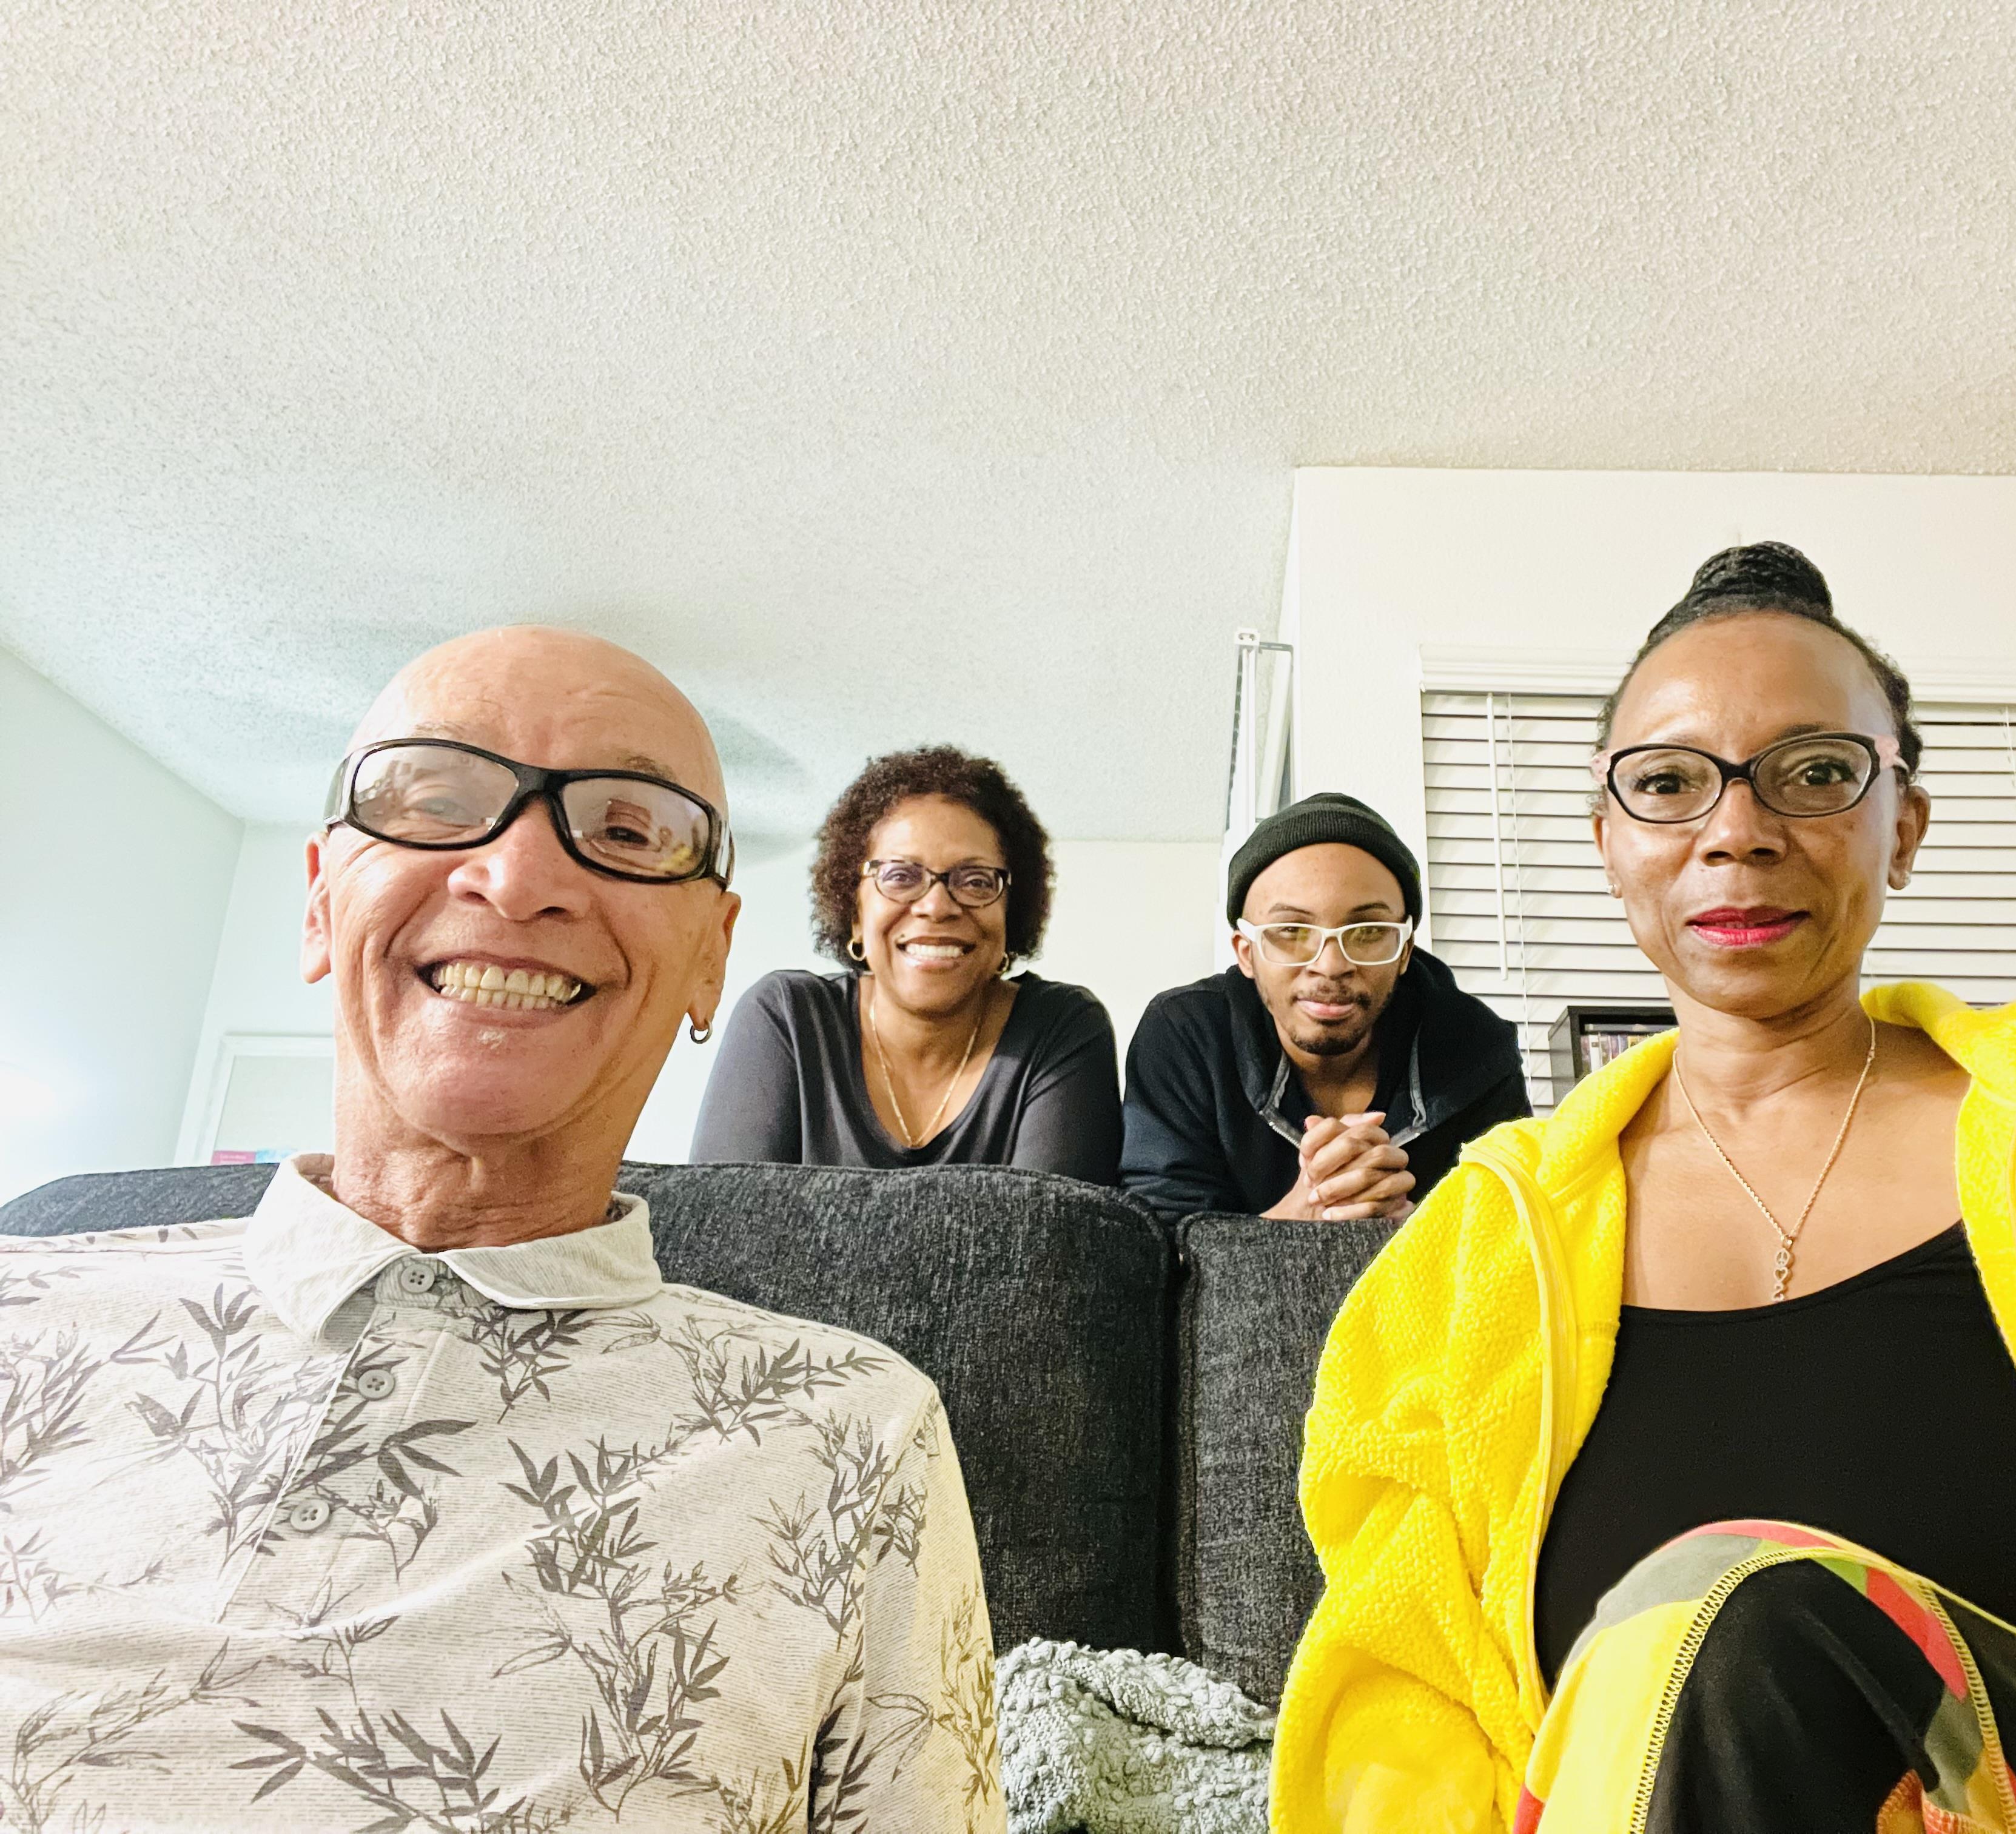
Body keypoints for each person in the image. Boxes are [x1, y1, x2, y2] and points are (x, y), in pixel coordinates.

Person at [1272, 545, 2016, 1834]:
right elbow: (1402, 1707)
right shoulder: (1467, 1261)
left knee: (1753, 1607)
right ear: (1609, 846)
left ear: (1906, 826)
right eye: (1668, 784)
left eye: (1817, 774)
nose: (1738, 830)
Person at [0, 628, 1005, 1834]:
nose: (518, 875)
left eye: (629, 831)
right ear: (321, 902)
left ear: (709, 958)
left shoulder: (858, 1426)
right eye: (436, 801)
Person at [690, 745, 1121, 1181]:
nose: (936, 906)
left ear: (1012, 912)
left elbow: (1053, 1240)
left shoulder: (1061, 1031)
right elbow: (727, 1230)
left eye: (975, 881)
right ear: (854, 913)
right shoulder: (788, 1018)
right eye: (900, 876)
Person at [1122, 791, 1530, 1220]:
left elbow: (1517, 1241)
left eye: (1368, 932)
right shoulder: (1187, 1037)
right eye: (1292, 931)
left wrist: (1409, 1231)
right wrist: (1312, 1209)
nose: (1331, 966)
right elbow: (1162, 1256)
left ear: (1405, 950)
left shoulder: (1477, 1050)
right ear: (1246, 953)